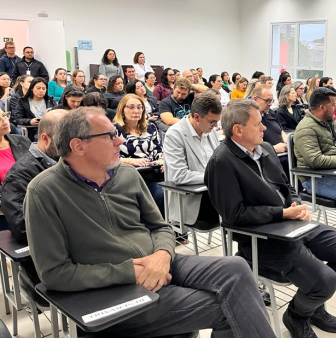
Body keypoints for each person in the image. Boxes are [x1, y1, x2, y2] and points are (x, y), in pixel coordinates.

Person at [24, 107, 276, 337]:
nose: (120, 141)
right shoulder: (44, 191)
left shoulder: (126, 174)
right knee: (230, 306)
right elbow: (55, 274)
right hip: (113, 288)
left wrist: (163, 255)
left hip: (160, 261)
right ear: (78, 146)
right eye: (110, 136)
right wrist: (129, 271)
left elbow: (161, 227)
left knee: (236, 267)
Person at [205, 99, 336, 338]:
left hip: (291, 222)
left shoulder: (266, 150)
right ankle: (298, 315)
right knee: (325, 280)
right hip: (262, 238)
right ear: (238, 130)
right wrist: (281, 213)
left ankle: (310, 305)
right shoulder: (221, 163)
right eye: (258, 124)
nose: (264, 128)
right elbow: (234, 216)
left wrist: (296, 206)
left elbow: (286, 186)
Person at [294, 87, 336, 236]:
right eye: (333, 104)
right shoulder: (306, 128)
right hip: (315, 178)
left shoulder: (329, 122)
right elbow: (315, 160)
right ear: (322, 107)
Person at [2, 109, 66, 242]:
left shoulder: (19, 140)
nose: (4, 120)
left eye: (4, 115)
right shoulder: (20, 174)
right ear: (45, 139)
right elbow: (23, 227)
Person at [163, 92, 222, 225]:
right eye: (212, 122)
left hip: (214, 192)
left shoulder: (209, 129)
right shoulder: (174, 134)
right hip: (194, 199)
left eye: (217, 121)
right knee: (240, 210)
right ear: (196, 117)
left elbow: (219, 162)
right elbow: (180, 176)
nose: (215, 126)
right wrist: (215, 176)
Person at [114, 94, 165, 215]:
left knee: (172, 194)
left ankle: (175, 230)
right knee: (159, 196)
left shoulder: (151, 127)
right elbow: (109, 159)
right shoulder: (114, 130)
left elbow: (158, 150)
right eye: (131, 107)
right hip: (129, 176)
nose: (136, 111)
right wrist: (129, 160)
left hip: (152, 173)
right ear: (122, 109)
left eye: (139, 107)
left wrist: (162, 160)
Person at [0, 108, 32, 230]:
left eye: (4, 115)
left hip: (29, 203)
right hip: (4, 211)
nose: (5, 121)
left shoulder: (22, 140)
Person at [249, 85, 289, 176]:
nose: (270, 103)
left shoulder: (270, 112)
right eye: (267, 101)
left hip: (284, 152)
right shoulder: (248, 118)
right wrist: (273, 149)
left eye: (272, 101)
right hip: (269, 157)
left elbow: (281, 130)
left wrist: (287, 141)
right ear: (255, 99)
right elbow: (249, 148)